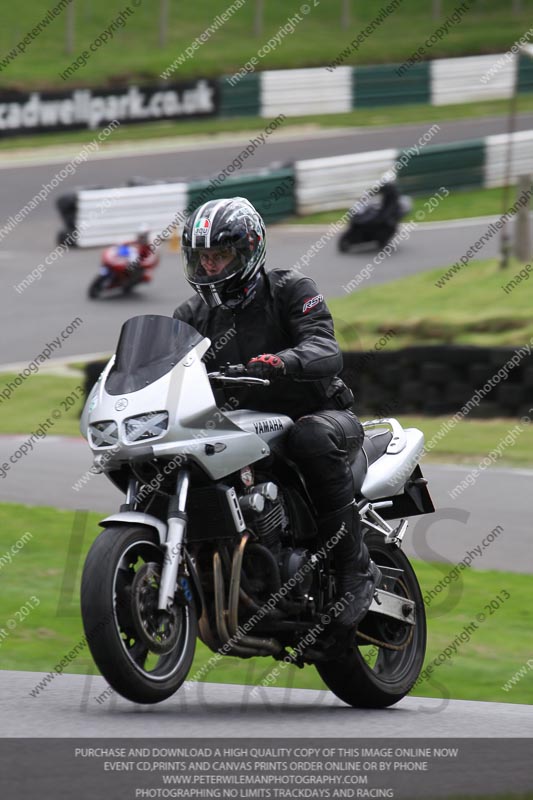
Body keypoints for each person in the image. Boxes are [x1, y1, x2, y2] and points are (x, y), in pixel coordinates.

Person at [173, 197, 380, 635]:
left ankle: (355, 570)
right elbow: (167, 371)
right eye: (202, 257)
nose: (210, 267)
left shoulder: (290, 289)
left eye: (221, 255)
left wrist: (284, 361)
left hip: (320, 416)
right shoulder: (190, 315)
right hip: (241, 428)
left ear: (248, 252)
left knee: (310, 438)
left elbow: (326, 348)